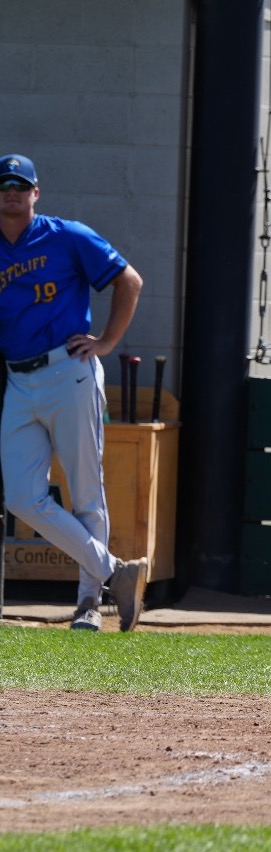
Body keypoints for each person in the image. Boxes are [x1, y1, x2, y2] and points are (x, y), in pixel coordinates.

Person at [0, 153, 149, 633]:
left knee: (86, 492)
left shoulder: (66, 235)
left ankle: (89, 604)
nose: (12, 192)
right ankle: (118, 573)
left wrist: (106, 342)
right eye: (4, 184)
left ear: (36, 193)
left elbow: (129, 281)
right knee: (22, 497)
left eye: (21, 185)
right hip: (19, 380)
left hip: (70, 371)